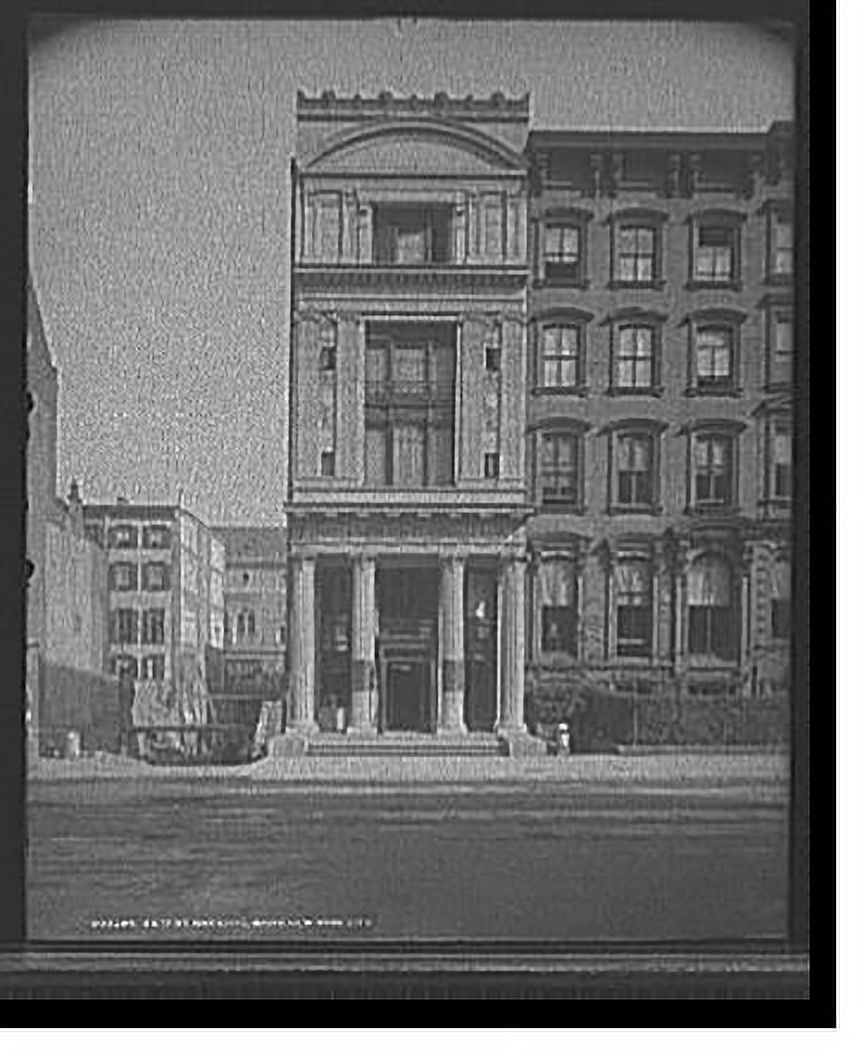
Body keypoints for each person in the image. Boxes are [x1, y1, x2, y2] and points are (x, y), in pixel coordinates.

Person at [118, 666, 136, 756]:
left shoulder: (123, 685)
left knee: (126, 730)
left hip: (126, 711)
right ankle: (125, 751)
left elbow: (132, 697)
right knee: (125, 730)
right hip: (124, 711)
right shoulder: (124, 685)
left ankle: (126, 751)